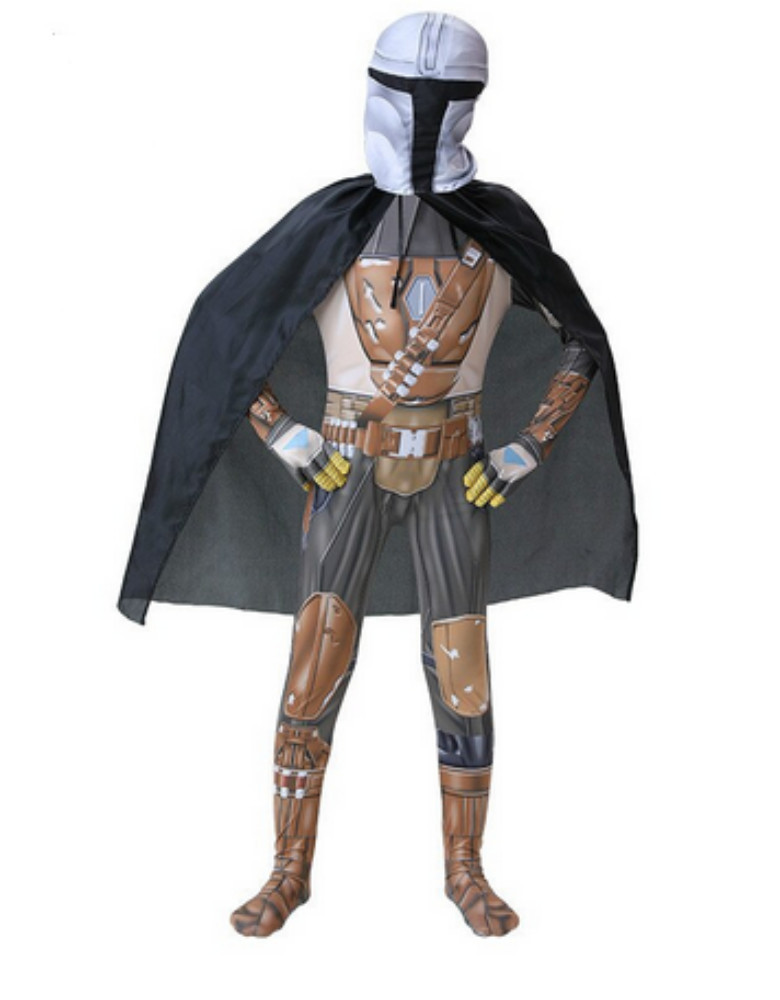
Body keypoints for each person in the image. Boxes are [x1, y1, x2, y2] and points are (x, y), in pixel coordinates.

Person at [228, 13, 598, 939]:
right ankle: (288, 868)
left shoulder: (501, 231)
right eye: (408, 97)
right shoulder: (332, 225)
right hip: (346, 461)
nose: (421, 117)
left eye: (442, 100)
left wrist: (526, 446)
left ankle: (465, 869)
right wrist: (284, 434)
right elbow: (225, 343)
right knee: (315, 662)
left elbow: (582, 340)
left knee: (462, 672)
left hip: (456, 468)